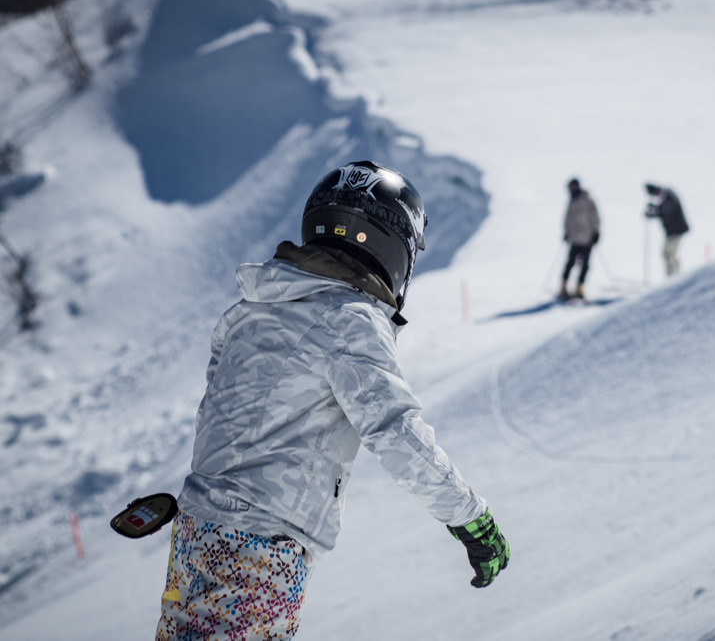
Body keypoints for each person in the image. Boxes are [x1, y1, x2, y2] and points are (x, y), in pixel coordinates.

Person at [155, 161, 509, 641]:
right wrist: (470, 518)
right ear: (392, 246)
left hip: (199, 531)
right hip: (259, 549)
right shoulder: (348, 319)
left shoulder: (248, 312)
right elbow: (395, 432)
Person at [560, 177, 601, 300]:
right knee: (570, 263)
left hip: (587, 238)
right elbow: (567, 219)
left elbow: (595, 217)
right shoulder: (572, 200)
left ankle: (580, 288)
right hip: (574, 238)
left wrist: (595, 233)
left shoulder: (587, 200)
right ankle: (564, 286)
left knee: (584, 265)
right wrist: (567, 232)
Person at [644, 183, 689, 276]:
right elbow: (664, 210)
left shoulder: (669, 195)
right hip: (672, 232)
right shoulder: (666, 196)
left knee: (669, 253)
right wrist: (655, 210)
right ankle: (673, 275)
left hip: (676, 231)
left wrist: (655, 212)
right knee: (668, 253)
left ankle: (675, 275)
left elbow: (667, 211)